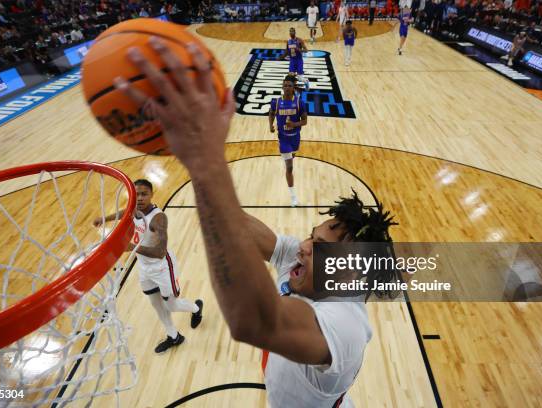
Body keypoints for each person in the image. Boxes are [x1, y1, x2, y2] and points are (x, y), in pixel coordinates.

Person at [112, 38, 399, 407]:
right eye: (313, 236)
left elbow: (252, 319)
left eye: (321, 247)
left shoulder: (345, 324)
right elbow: (246, 230)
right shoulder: (307, 267)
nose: (304, 245)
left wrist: (205, 163)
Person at [93, 179, 204, 353]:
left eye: (144, 194)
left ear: (152, 195)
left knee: (171, 305)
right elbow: (126, 212)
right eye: (136, 194)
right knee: (156, 304)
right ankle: (174, 336)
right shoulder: (134, 209)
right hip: (144, 267)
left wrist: (132, 248)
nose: (139, 198)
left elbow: (160, 252)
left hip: (162, 267)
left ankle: (197, 308)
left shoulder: (158, 219)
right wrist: (104, 219)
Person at [269, 75, 307, 207]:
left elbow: (305, 121)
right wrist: (270, 125)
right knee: (290, 168)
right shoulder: (276, 102)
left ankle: (287, 159)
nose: (287, 88)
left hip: (295, 137)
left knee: (292, 157)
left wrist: (294, 124)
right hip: (283, 139)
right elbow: (271, 113)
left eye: (289, 85)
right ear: (282, 87)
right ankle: (293, 197)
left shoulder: (299, 103)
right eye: (285, 85)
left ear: (293, 88)